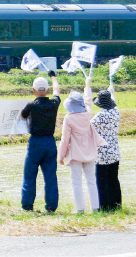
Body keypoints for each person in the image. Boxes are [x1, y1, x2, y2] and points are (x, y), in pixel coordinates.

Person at [58, 79, 106, 214]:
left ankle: (80, 209)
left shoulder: (68, 118)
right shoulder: (88, 113)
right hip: (90, 151)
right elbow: (88, 100)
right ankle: (95, 208)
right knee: (91, 181)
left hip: (75, 154)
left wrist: (61, 156)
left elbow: (64, 139)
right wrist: (87, 86)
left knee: (76, 182)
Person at [19, 71, 60, 212]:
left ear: (33, 91)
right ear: (47, 90)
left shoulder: (31, 105)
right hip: (50, 142)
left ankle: (27, 205)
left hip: (35, 142)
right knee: (50, 177)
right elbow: (57, 90)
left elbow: (22, 116)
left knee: (29, 175)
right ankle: (51, 206)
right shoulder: (54, 103)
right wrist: (53, 77)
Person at [91, 85, 122, 211]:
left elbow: (88, 128)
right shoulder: (116, 112)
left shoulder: (99, 116)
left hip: (102, 153)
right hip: (115, 151)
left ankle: (104, 206)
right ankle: (116, 204)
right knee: (114, 179)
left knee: (101, 181)